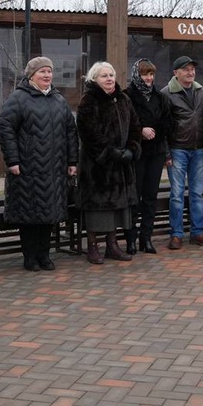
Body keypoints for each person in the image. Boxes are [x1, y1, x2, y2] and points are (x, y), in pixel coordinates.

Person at [0, 57, 78, 272]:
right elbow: (5, 129)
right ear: (31, 75)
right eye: (42, 71)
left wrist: (72, 161)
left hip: (54, 169)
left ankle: (44, 255)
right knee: (29, 215)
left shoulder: (59, 99)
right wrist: (12, 160)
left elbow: (71, 131)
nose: (47, 75)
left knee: (48, 214)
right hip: (27, 168)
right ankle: (30, 256)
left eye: (49, 71)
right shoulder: (18, 98)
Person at [76, 62, 142, 263]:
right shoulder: (88, 101)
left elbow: (135, 126)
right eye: (104, 75)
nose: (109, 78)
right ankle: (93, 247)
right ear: (94, 79)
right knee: (97, 209)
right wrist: (110, 152)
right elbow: (89, 132)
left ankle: (112, 246)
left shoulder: (123, 99)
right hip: (97, 166)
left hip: (121, 165)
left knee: (116, 208)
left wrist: (131, 149)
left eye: (111, 74)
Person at [162, 55, 203, 250]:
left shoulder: (202, 92)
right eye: (186, 69)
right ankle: (176, 235)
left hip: (199, 150)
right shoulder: (166, 94)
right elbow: (163, 126)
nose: (190, 72)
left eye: (192, 69)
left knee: (197, 193)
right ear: (176, 73)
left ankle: (197, 233)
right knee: (176, 194)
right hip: (177, 150)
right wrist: (166, 153)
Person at [124, 58, 172, 254]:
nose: (149, 78)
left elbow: (168, 122)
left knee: (151, 197)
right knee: (134, 196)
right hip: (137, 152)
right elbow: (124, 123)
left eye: (151, 74)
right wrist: (141, 130)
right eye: (145, 74)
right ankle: (131, 239)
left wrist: (155, 132)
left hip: (156, 151)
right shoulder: (127, 96)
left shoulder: (160, 97)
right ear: (137, 74)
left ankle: (146, 237)